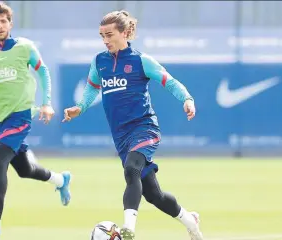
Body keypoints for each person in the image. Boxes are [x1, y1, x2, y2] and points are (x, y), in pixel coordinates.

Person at [62, 10, 203, 240]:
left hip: (145, 128)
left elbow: (170, 81)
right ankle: (191, 221)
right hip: (121, 137)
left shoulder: (141, 61)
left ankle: (128, 229)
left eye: (109, 35)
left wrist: (187, 99)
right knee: (153, 195)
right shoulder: (100, 62)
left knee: (131, 169)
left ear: (125, 33)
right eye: (101, 36)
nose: (105, 40)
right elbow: (91, 89)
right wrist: (80, 107)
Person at [0, 2, 71, 237]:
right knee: (24, 169)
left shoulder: (25, 47)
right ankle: (60, 179)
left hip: (21, 115)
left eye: (4, 21)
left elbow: (43, 71)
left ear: (10, 24)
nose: (0, 26)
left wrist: (47, 102)